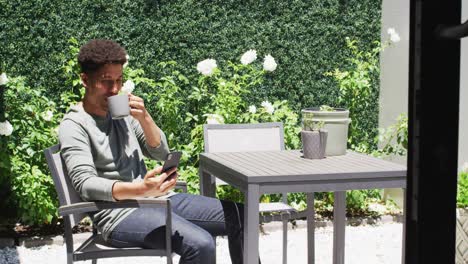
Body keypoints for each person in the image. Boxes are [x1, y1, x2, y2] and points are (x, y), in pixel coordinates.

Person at [59, 39, 247, 264]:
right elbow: (86, 184)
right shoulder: (74, 124)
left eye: (119, 80)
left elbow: (160, 153)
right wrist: (140, 189)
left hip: (154, 199)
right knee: (200, 244)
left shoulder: (123, 114)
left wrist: (145, 118)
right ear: (85, 80)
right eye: (106, 81)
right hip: (119, 215)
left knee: (241, 215)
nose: (115, 89)